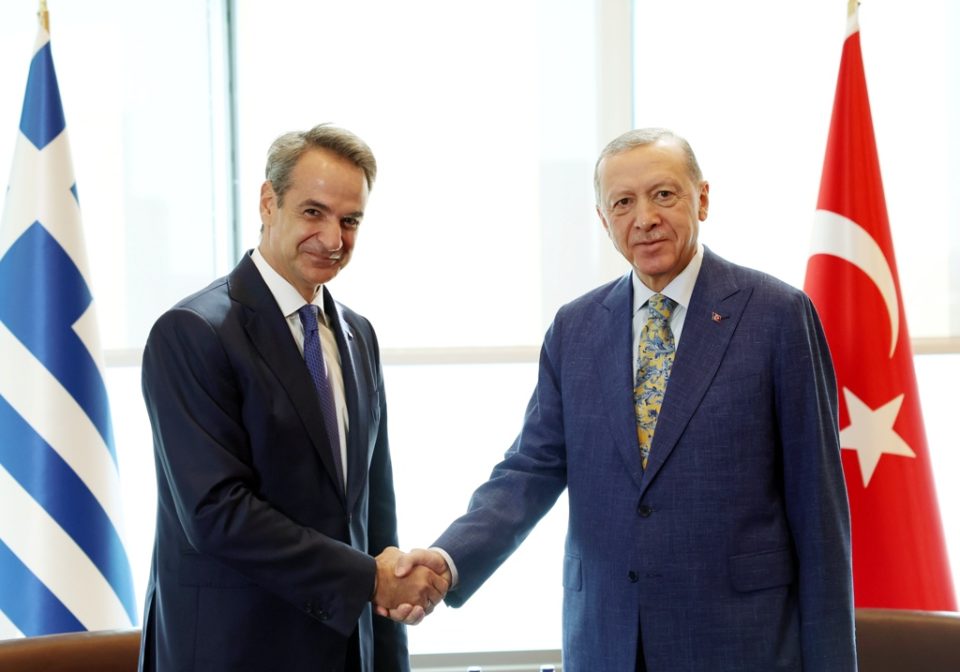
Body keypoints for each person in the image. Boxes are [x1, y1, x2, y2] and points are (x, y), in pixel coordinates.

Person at [391, 128, 857, 670]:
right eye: (623, 203)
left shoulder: (778, 315)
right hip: (606, 641)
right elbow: (529, 470)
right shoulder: (575, 328)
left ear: (702, 199)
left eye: (664, 195)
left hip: (739, 643)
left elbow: (819, 512)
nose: (645, 218)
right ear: (603, 219)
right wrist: (449, 559)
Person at [138, 123, 447, 672]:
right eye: (313, 212)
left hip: (346, 651)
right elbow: (217, 513)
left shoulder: (357, 335)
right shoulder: (193, 331)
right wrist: (366, 579)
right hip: (235, 653)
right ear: (268, 202)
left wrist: (388, 641)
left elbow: (374, 515)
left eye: (350, 220)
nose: (333, 239)